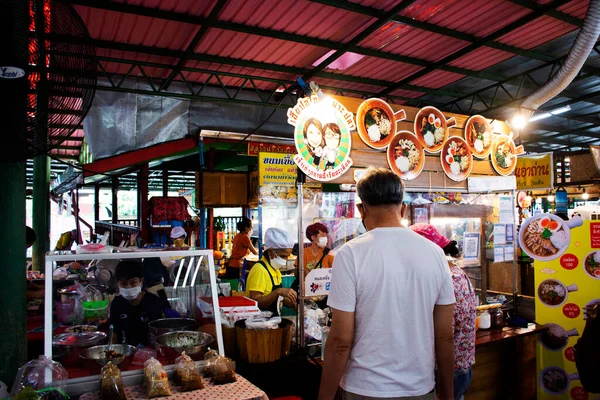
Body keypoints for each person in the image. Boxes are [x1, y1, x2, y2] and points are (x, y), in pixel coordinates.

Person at [319, 167, 456, 400]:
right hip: (421, 388)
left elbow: (341, 341)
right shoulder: (435, 254)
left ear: (361, 210)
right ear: (403, 208)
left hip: (364, 388)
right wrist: (448, 395)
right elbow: (445, 337)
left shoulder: (349, 254)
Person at [409, 224, 477, 400]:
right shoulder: (454, 272)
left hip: (447, 370)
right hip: (457, 367)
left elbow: (445, 333)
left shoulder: (448, 279)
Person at [109, 260, 164, 346]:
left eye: (133, 283)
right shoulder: (117, 303)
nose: (128, 287)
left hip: (149, 352)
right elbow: (114, 334)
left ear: (141, 281)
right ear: (117, 283)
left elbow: (158, 333)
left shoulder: (153, 301)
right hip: (124, 351)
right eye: (123, 283)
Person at [245, 228, 297, 313]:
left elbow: (277, 299)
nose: (286, 259)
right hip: (260, 321)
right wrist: (278, 292)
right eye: (283, 256)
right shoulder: (260, 270)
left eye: (288, 256)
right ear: (270, 252)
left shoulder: (275, 270)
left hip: (272, 321)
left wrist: (294, 303)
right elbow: (256, 302)